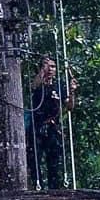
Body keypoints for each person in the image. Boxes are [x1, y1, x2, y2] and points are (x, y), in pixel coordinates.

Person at [27, 58, 74, 189]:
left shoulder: (59, 85)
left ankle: (54, 189)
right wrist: (42, 70)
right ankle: (38, 186)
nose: (50, 69)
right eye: (48, 66)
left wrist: (72, 90)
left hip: (53, 127)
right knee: (35, 159)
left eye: (53, 67)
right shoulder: (38, 84)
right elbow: (33, 86)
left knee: (54, 160)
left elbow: (69, 106)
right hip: (37, 127)